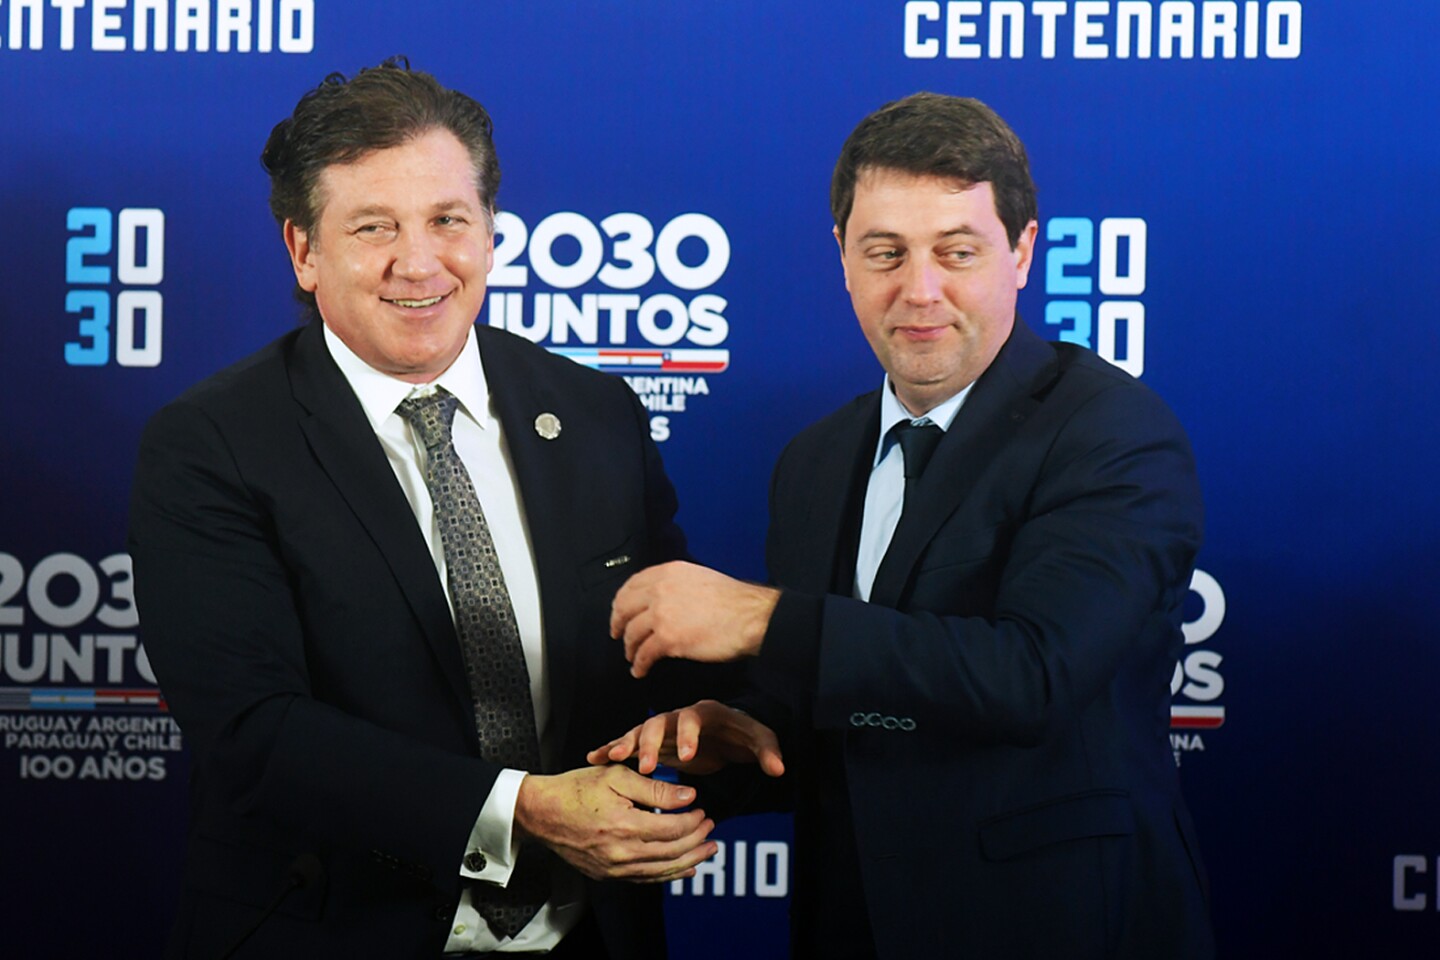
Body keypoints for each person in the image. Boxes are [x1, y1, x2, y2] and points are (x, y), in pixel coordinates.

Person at [593, 93, 1216, 959]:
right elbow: (846, 704)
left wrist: (759, 620)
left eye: (956, 252)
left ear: (1023, 251)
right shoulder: (813, 461)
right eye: (884, 252)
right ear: (841, 257)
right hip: (849, 926)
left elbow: (1032, 675)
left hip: (1058, 927)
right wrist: (737, 742)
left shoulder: (1111, 431)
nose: (918, 290)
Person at [129, 60, 722, 959]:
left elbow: (654, 648)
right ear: (303, 250)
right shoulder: (212, 442)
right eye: (374, 227)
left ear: (489, 234)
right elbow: (253, 732)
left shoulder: (596, 413)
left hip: (592, 938)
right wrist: (522, 810)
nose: (420, 261)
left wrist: (704, 713)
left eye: (449, 220)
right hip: (334, 932)